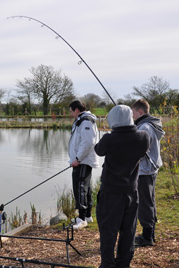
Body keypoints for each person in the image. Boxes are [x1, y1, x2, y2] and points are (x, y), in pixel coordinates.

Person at [94, 105, 149, 268]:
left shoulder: (109, 139)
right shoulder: (143, 137)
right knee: (128, 231)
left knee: (108, 232)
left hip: (110, 193)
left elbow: (98, 150)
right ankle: (123, 264)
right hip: (132, 192)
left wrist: (112, 133)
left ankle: (108, 264)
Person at [131, 99, 165, 247]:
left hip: (145, 170)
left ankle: (147, 237)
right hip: (150, 168)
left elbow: (139, 149)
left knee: (145, 203)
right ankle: (150, 233)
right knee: (149, 201)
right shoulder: (150, 124)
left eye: (133, 113)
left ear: (140, 112)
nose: (131, 116)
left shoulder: (145, 126)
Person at [68, 100, 99, 230]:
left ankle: (81, 219)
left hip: (82, 161)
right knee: (85, 188)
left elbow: (87, 142)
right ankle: (87, 216)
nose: (70, 114)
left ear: (77, 110)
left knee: (79, 187)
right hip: (82, 161)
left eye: (71, 111)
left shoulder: (86, 121)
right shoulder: (82, 120)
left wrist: (77, 159)